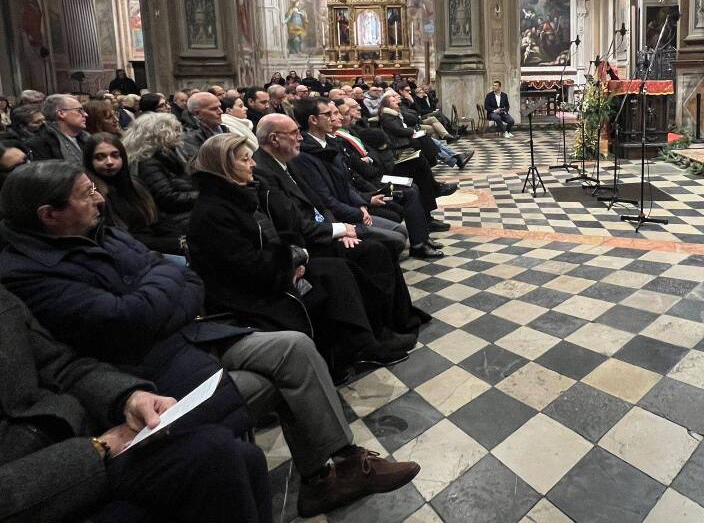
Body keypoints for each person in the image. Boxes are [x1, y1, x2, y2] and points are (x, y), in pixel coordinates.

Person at [0, 161, 421, 517]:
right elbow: (126, 318)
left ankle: (342, 464)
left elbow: (187, 276)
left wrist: (155, 294)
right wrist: (160, 289)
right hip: (151, 365)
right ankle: (317, 475)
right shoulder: (26, 271)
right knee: (276, 383)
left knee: (292, 345)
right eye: (86, 193)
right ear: (48, 214)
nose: (99, 198)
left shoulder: (105, 232)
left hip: (196, 332)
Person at [0, 284, 273, 523]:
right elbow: (126, 314)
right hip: (44, 479)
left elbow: (62, 366)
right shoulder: (27, 269)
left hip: (81, 435)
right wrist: (95, 450)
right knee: (213, 453)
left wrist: (127, 397)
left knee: (245, 458)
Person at [188, 134, 416, 369]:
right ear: (224, 167)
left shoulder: (237, 195)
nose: (253, 164)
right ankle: (360, 345)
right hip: (249, 292)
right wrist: (295, 258)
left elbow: (280, 229)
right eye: (245, 160)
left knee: (349, 264)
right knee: (335, 271)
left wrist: (295, 255)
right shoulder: (213, 212)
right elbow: (246, 264)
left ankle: (374, 335)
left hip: (280, 261)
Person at [252, 114, 429, 338]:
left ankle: (397, 318)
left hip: (326, 228)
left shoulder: (286, 163)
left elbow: (318, 203)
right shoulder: (264, 172)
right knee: (376, 250)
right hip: (307, 243)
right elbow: (292, 222)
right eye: (294, 133)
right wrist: (339, 230)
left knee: (380, 247)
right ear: (275, 139)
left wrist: (338, 227)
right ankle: (379, 328)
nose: (299, 138)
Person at [292, 98, 438, 258]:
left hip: (357, 197)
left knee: (411, 190)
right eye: (329, 114)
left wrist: (361, 204)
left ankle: (422, 239)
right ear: (313, 120)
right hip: (345, 212)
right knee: (398, 236)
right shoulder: (307, 154)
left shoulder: (330, 143)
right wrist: (360, 210)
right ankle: (416, 244)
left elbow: (347, 181)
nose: (335, 118)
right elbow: (326, 199)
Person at [84, 132, 187, 255]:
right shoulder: (93, 194)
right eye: (100, 157)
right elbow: (120, 238)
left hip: (157, 243)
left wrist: (181, 238)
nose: (109, 162)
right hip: (132, 252)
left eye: (115, 155)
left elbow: (157, 219)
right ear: (90, 161)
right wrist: (174, 244)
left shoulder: (135, 184)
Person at [123, 112, 198, 219]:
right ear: (159, 134)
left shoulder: (164, 155)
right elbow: (167, 199)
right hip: (171, 219)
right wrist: (203, 196)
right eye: (175, 130)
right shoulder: (147, 163)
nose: (179, 134)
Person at [26, 93, 90, 162]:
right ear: (61, 113)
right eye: (79, 110)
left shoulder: (85, 137)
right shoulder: (40, 144)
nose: (86, 114)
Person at [182, 91, 228, 157]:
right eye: (214, 109)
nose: (221, 111)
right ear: (197, 114)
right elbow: (199, 165)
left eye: (219, 107)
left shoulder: (224, 129)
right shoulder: (189, 138)